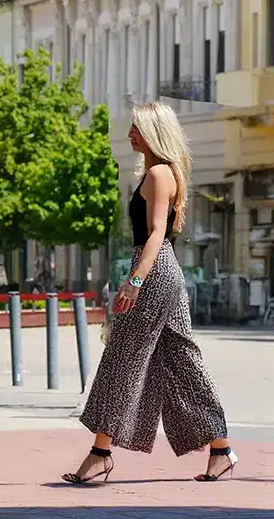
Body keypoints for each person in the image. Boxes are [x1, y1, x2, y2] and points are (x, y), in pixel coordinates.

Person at [64, 101, 237, 485]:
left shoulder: (159, 174)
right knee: (182, 362)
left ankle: (100, 454)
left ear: (154, 132)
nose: (130, 133)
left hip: (154, 273)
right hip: (162, 269)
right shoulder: (159, 172)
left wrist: (136, 281)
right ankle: (221, 449)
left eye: (137, 128)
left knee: (123, 358)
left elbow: (157, 232)